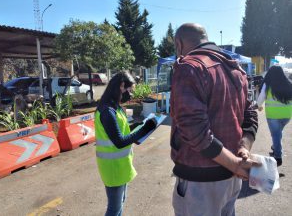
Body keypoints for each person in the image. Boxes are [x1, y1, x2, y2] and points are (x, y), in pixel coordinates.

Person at [170, 23, 260, 216]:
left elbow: (194, 130)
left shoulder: (189, 67)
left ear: (178, 43)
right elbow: (251, 115)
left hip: (200, 182)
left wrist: (236, 164)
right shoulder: (236, 70)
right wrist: (243, 149)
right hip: (231, 179)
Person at [95, 71, 157, 216]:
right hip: (113, 167)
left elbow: (122, 131)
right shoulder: (107, 111)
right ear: (122, 86)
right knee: (114, 209)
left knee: (120, 203)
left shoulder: (115, 107)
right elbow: (119, 141)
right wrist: (145, 130)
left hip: (121, 165)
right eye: (129, 90)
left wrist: (139, 126)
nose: (130, 94)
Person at [257, 66, 292, 166]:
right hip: (287, 115)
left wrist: (258, 106)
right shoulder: (288, 84)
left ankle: (278, 156)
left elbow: (260, 100)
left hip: (273, 116)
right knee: (278, 133)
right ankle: (275, 147)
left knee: (276, 135)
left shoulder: (268, 85)